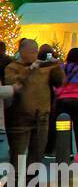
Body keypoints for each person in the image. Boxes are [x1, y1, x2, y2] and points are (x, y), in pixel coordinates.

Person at [4, 39, 65, 168]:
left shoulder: (44, 68)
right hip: (19, 118)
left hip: (42, 116)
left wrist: (57, 67)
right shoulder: (12, 68)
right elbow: (12, 84)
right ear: (21, 52)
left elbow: (59, 82)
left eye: (35, 51)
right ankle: (15, 180)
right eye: (31, 51)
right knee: (18, 153)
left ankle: (32, 179)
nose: (34, 54)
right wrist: (30, 69)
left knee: (38, 152)